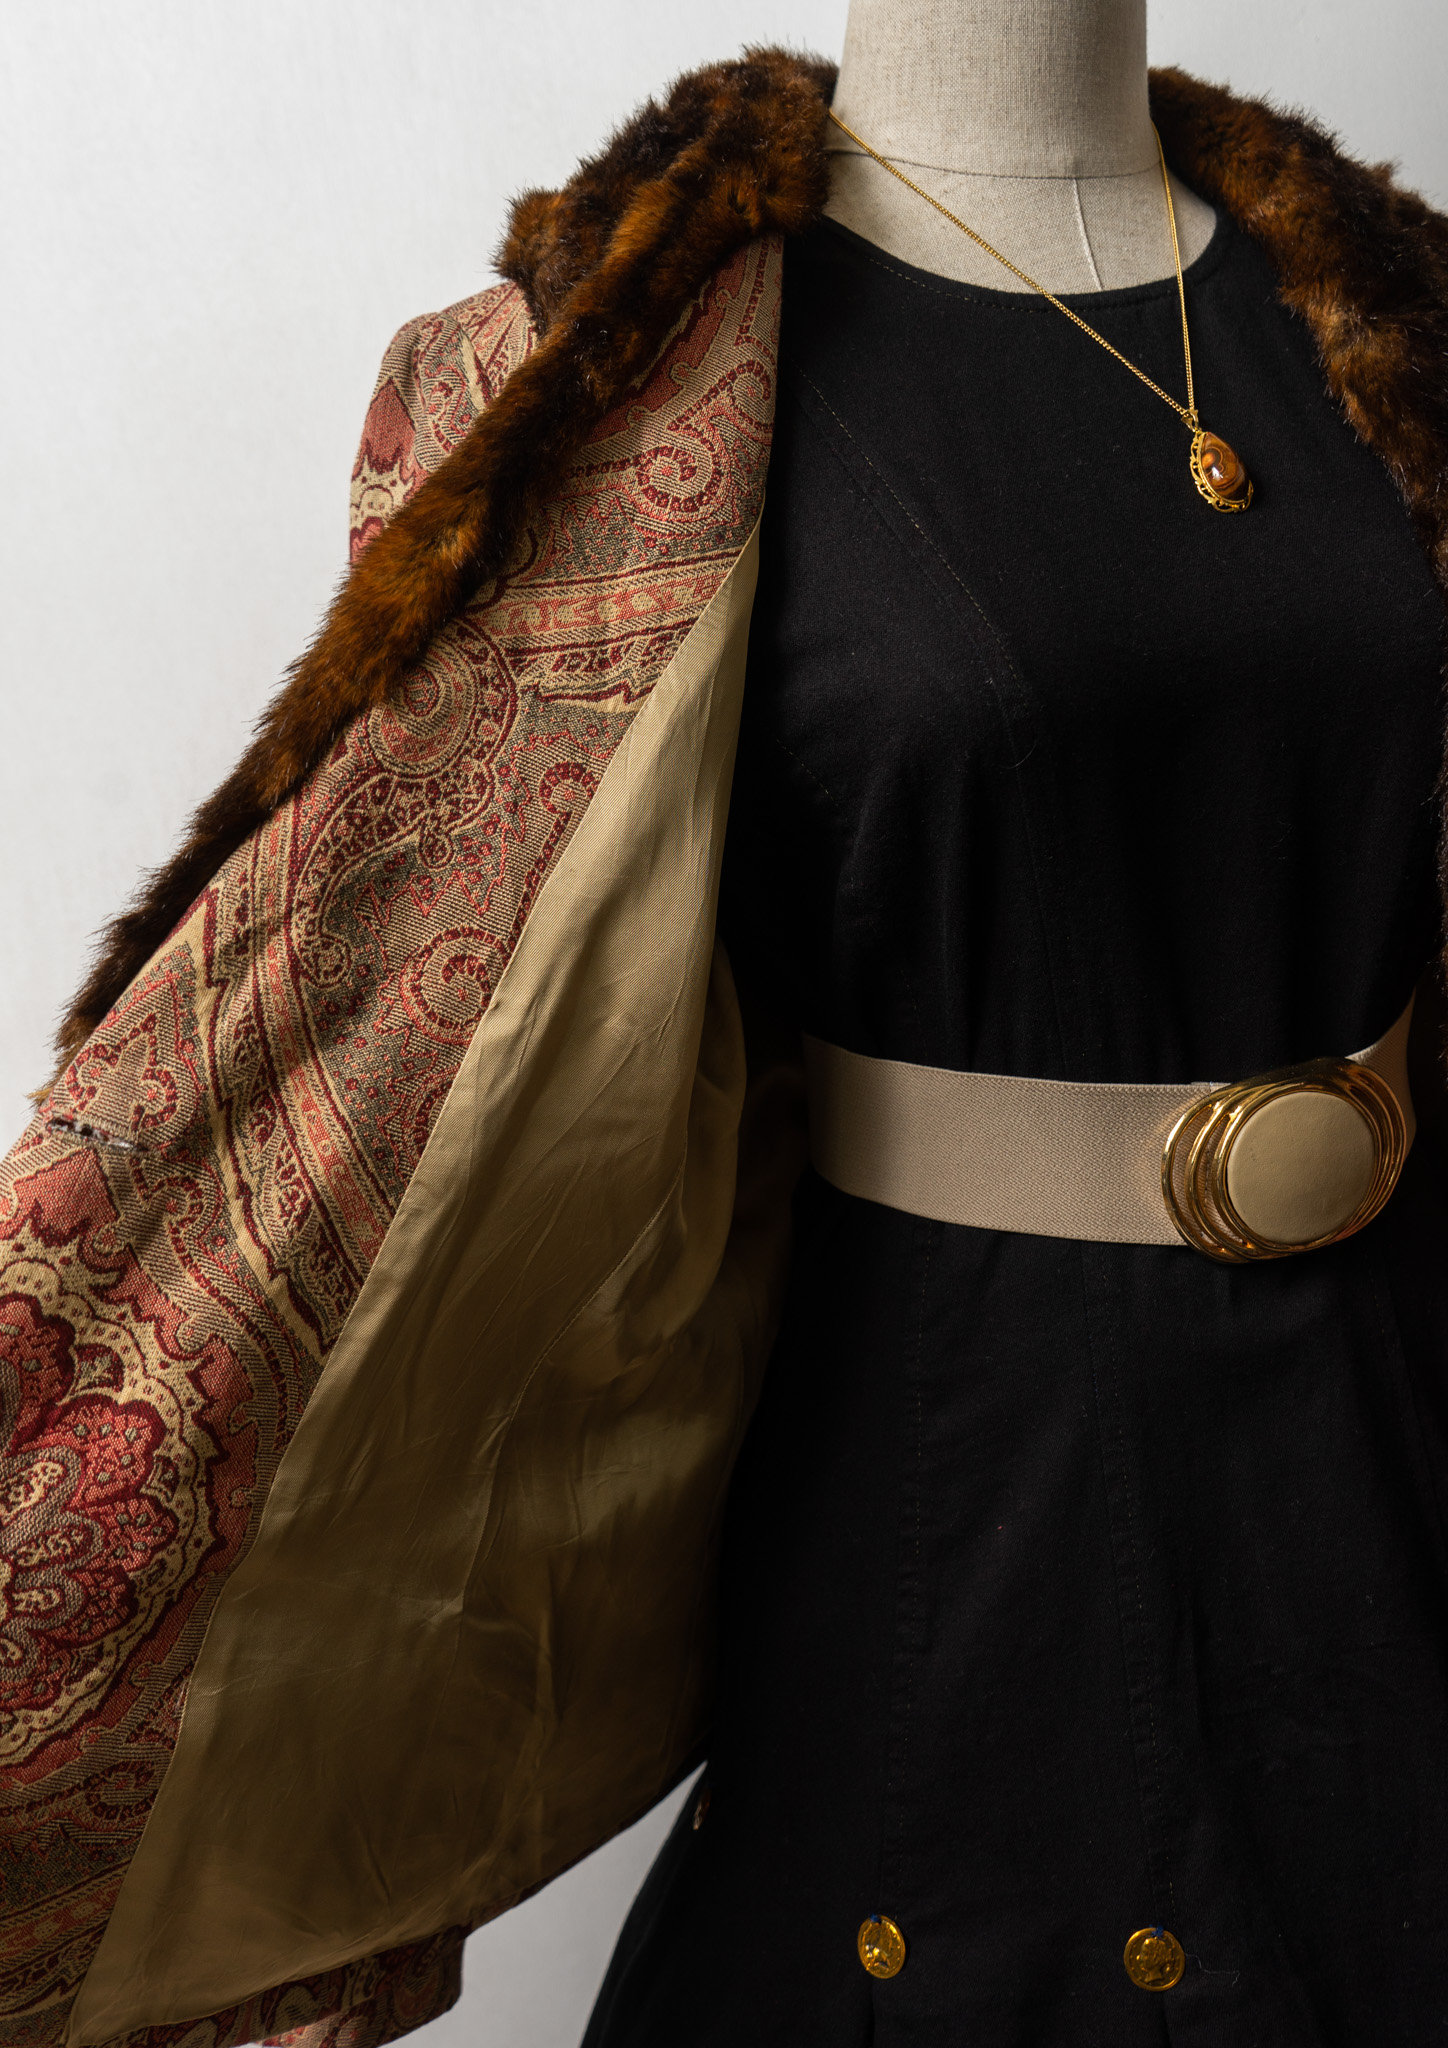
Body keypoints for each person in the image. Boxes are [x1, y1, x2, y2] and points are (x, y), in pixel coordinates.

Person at [3, 11, 1447, 2045]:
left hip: (1390, 1431)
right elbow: (403, 986)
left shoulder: (1393, 321)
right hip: (954, 1439)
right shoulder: (606, 381)